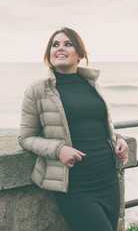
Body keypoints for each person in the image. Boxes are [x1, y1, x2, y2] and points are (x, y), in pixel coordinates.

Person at [18, 27, 129, 231]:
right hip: (74, 185)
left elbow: (97, 124)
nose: (60, 48)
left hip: (107, 179)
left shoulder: (90, 83)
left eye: (68, 44)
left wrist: (118, 138)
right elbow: (25, 138)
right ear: (49, 54)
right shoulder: (38, 89)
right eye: (55, 45)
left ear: (79, 54)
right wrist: (58, 149)